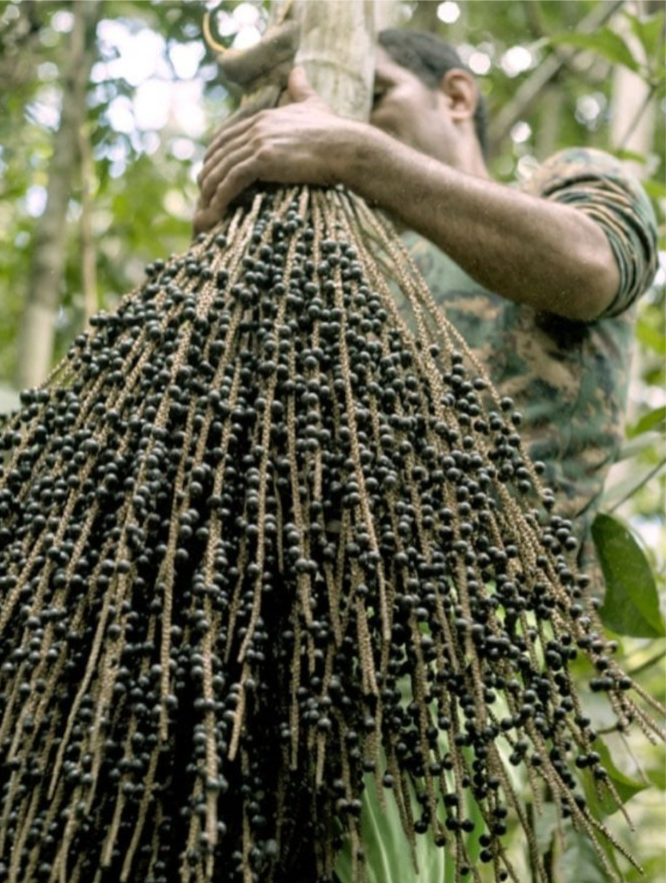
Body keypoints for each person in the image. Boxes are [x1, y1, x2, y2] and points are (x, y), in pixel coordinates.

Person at [195, 28, 659, 570]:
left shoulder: (561, 181)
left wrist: (354, 153)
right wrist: (217, 263)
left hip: (500, 615)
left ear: (457, 96)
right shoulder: (344, 276)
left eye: (374, 100)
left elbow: (591, 267)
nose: (344, 127)